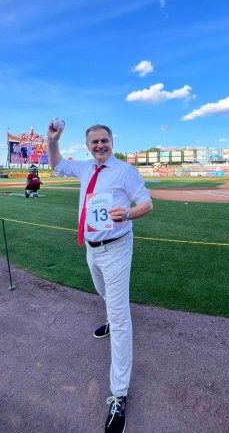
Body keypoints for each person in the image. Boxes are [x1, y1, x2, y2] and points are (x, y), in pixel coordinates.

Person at [47, 122, 152, 433]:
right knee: (101, 291)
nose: (100, 145)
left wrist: (129, 214)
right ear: (88, 144)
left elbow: (147, 202)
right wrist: (53, 140)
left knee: (120, 318)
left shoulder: (125, 171)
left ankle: (118, 395)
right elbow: (55, 164)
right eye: (94, 142)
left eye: (104, 140)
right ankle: (110, 313)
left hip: (117, 247)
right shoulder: (84, 168)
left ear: (112, 141)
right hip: (92, 247)